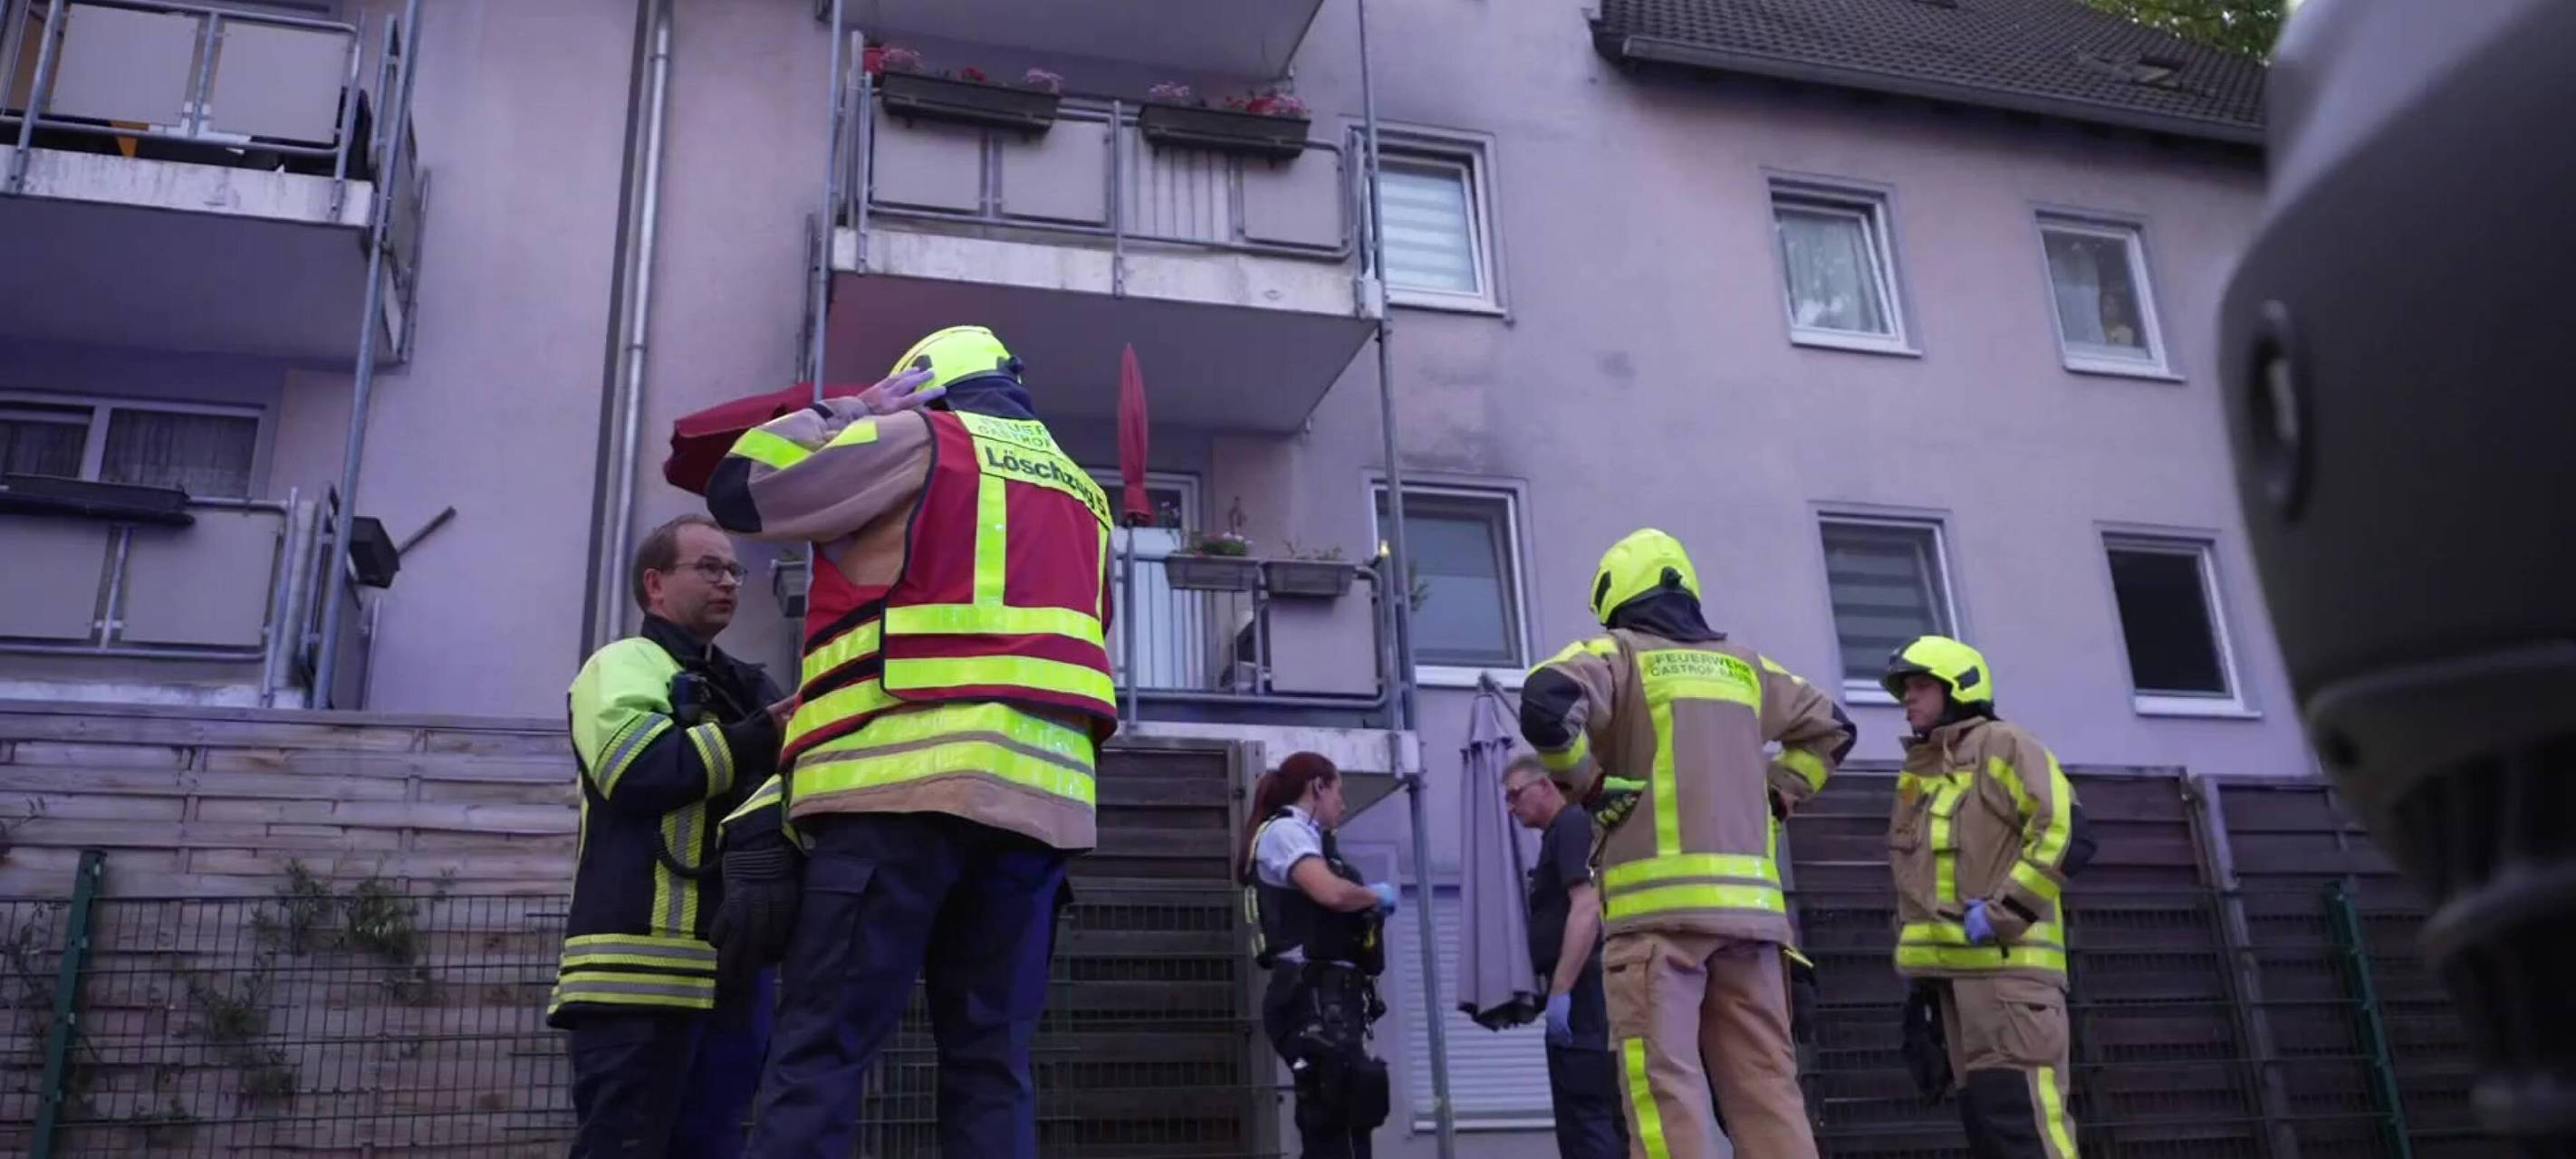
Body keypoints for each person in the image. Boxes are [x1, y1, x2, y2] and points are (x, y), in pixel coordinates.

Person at [702, 325, 1119, 1158]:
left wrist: (850, 409)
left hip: (896, 793)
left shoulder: (921, 437)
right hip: (1039, 816)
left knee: (823, 1050)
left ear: (924, 385)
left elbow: (741, 489)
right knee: (991, 1068)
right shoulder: (1087, 494)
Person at [1520, 528, 1857, 1159]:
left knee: (1664, 1092)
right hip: (1752, 928)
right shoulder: (1746, 666)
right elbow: (1836, 729)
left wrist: (1586, 785)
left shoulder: (1618, 654)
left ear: (1618, 598)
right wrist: (1782, 792)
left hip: (1658, 928)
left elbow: (1546, 700)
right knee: (1766, 1093)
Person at [552, 514, 790, 1159]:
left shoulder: (747, 685)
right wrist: (757, 736)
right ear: (654, 585)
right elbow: (637, 769)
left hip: (732, 977)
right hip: (633, 976)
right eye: (708, 567)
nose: (728, 582)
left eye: (734, 570)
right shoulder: (623, 664)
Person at [1881, 635, 2095, 1159]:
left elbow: (2067, 833)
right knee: (1991, 1136)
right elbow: (1919, 885)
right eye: (1905, 688)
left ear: (1958, 689)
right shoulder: (1922, 773)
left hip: (2009, 984)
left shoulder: (2004, 745)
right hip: (1955, 989)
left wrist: (2007, 912)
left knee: (2026, 1133)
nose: (1908, 697)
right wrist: (1920, 990)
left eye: (1920, 685)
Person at [1242, 752, 1399, 1159]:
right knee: (1338, 1117)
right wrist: (1373, 896)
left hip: (1329, 999)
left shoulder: (1312, 841)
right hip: (1312, 998)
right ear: (1317, 787)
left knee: (1342, 1117)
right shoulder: (1285, 833)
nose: (1342, 805)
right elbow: (1329, 893)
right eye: (1338, 792)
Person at [1503, 753, 1627, 1159]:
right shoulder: (1560, 834)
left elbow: (1586, 907)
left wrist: (1561, 990)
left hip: (1584, 993)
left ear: (1546, 785)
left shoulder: (1571, 824)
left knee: (1587, 1116)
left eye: (1515, 794)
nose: (1511, 807)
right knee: (1587, 1116)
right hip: (1583, 991)